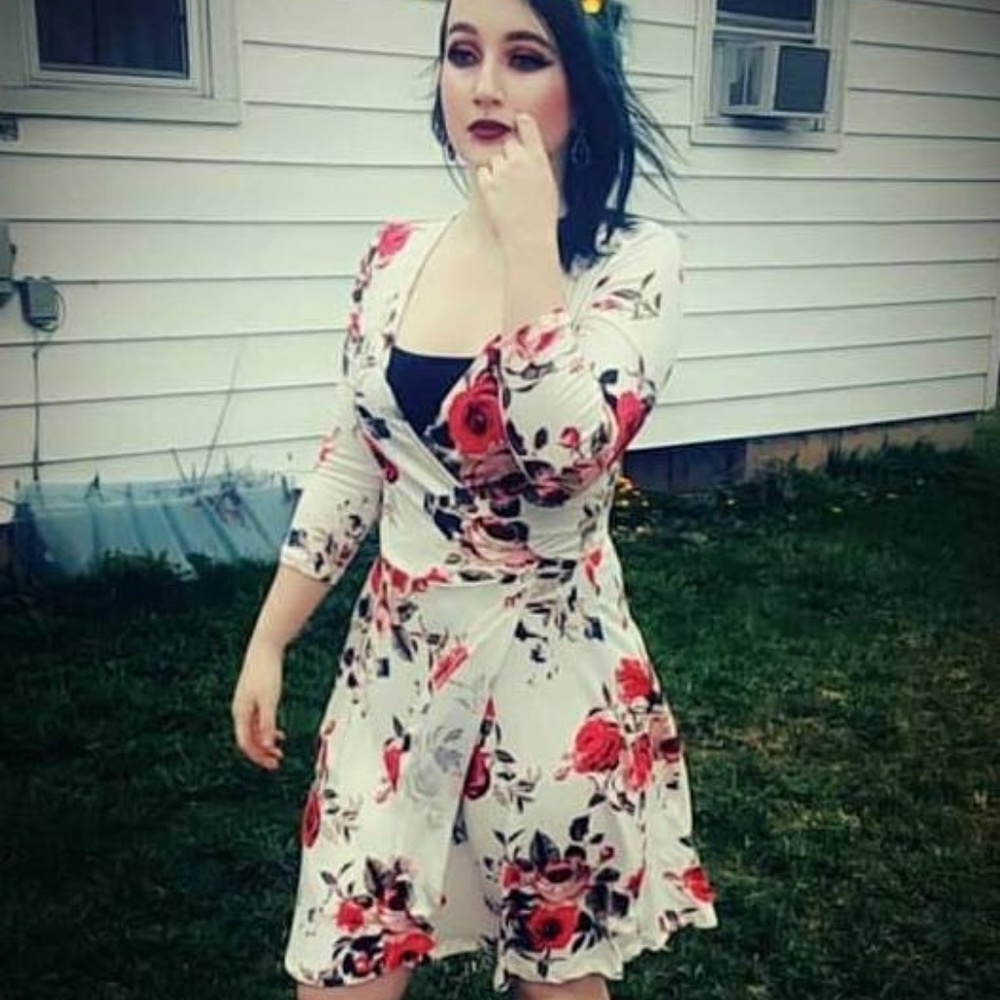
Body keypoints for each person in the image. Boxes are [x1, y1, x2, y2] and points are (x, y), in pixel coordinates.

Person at [230, 0, 718, 997]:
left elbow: (564, 457)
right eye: (462, 54)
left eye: (524, 57)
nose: (485, 86)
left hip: (548, 678)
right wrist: (271, 637)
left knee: (556, 973)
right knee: (340, 963)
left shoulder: (634, 262)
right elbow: (353, 463)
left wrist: (531, 244)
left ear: (582, 83)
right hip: (392, 676)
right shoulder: (393, 257)